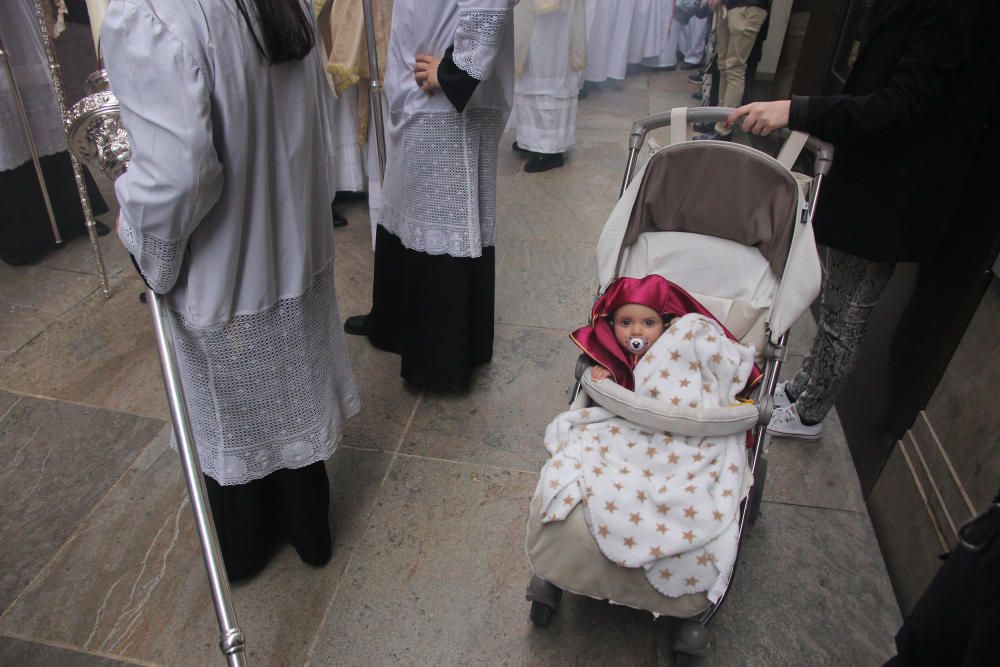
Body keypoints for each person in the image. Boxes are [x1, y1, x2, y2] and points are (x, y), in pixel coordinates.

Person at [102, 0, 361, 580]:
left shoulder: (150, 13)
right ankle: (306, 527)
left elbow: (178, 174)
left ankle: (247, 546)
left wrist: (148, 250)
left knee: (236, 401)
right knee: (288, 376)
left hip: (227, 255)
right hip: (290, 236)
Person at [725, 0, 999, 440]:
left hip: (893, 192)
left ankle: (810, 413)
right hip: (874, 180)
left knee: (846, 313)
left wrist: (795, 110)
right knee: (836, 300)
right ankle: (802, 389)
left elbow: (899, 104)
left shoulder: (953, 13)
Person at [344, 0, 517, 391]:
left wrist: (458, 69)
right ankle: (397, 325)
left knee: (443, 213)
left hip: (443, 94)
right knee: (405, 203)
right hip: (418, 81)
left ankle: (440, 357)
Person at [509, 0, 587, 173]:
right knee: (529, 63)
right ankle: (531, 138)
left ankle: (550, 148)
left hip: (552, 11)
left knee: (548, 66)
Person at [695, 0, 769, 141]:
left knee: (735, 68)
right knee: (723, 66)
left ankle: (724, 127)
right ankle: (719, 121)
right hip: (729, 5)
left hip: (748, 7)